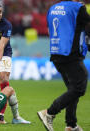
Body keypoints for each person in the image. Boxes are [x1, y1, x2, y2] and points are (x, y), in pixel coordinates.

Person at [37, 0, 90, 131]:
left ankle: (71, 125)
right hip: (71, 53)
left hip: (56, 52)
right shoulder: (79, 8)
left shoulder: (53, 8)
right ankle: (49, 112)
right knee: (79, 88)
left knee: (72, 90)